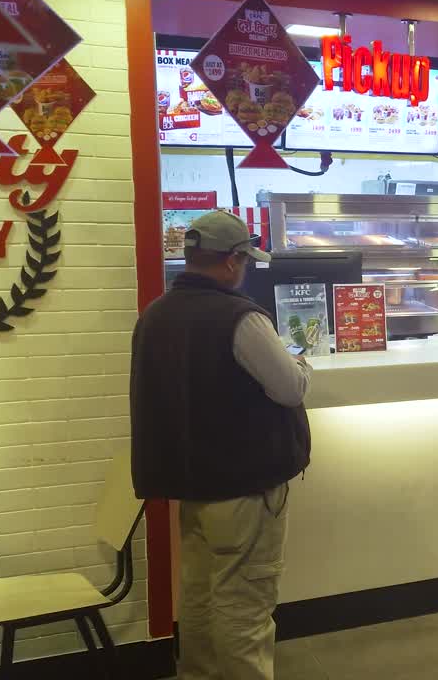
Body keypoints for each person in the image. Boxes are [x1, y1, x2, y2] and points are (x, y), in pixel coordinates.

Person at [130, 211, 311, 680]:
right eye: (245, 261)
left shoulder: (154, 314)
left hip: (192, 484)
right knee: (245, 606)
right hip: (244, 487)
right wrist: (303, 366)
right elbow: (290, 388)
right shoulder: (240, 318)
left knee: (200, 597)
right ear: (231, 262)